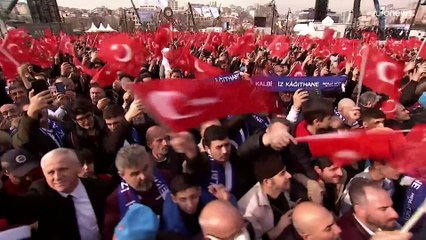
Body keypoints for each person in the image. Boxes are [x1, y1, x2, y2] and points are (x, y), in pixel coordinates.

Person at [0, 148, 114, 240]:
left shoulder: (100, 188)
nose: (57, 177)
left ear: (78, 168)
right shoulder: (42, 193)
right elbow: (11, 207)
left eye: (63, 169)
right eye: (50, 172)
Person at [104, 144, 170, 239]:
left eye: (145, 168)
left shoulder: (166, 177)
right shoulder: (115, 201)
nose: (143, 176)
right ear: (122, 175)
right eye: (135, 173)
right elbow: (110, 235)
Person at [238, 151, 293, 239]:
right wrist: (279, 227)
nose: (289, 175)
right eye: (282, 174)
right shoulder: (249, 210)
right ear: (267, 182)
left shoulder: (281, 187)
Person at [161, 173, 234, 238]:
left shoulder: (210, 197)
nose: (190, 205)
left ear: (199, 191)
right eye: (183, 199)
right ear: (174, 199)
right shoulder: (172, 225)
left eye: (193, 197)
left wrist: (225, 201)